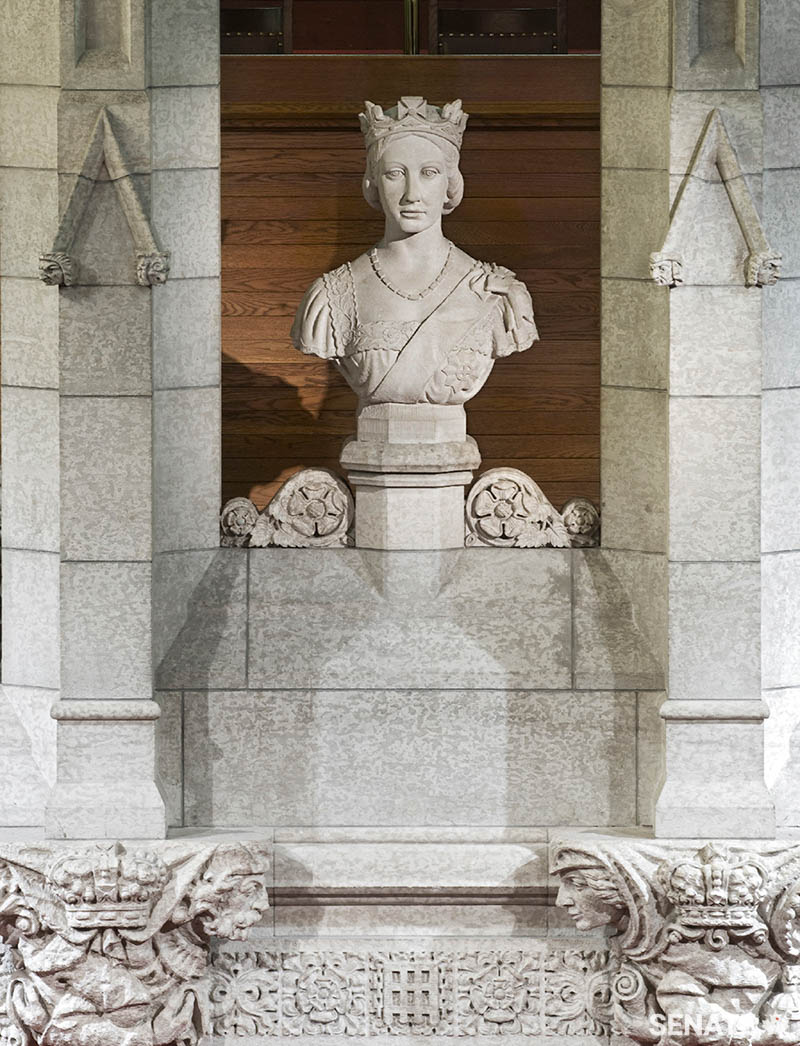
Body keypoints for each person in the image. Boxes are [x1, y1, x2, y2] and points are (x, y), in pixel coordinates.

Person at [290, 96, 538, 409]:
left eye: (429, 172)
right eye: (395, 173)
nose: (412, 194)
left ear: (450, 182)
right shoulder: (331, 296)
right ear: (373, 183)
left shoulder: (500, 293)